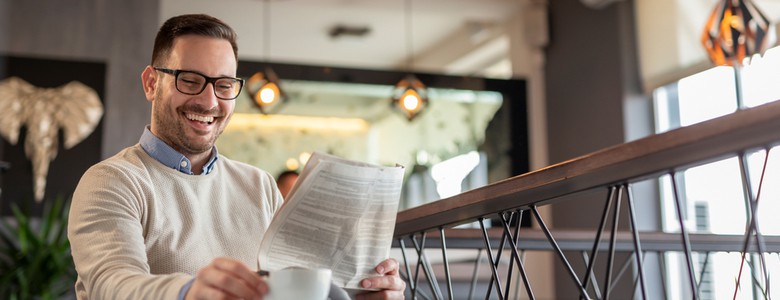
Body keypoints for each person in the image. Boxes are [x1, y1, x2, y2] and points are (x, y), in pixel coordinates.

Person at [68, 14, 405, 300]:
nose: (209, 101)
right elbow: (112, 284)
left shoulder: (259, 185)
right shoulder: (111, 181)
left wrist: (358, 294)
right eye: (190, 80)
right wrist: (190, 291)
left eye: (224, 85)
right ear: (151, 83)